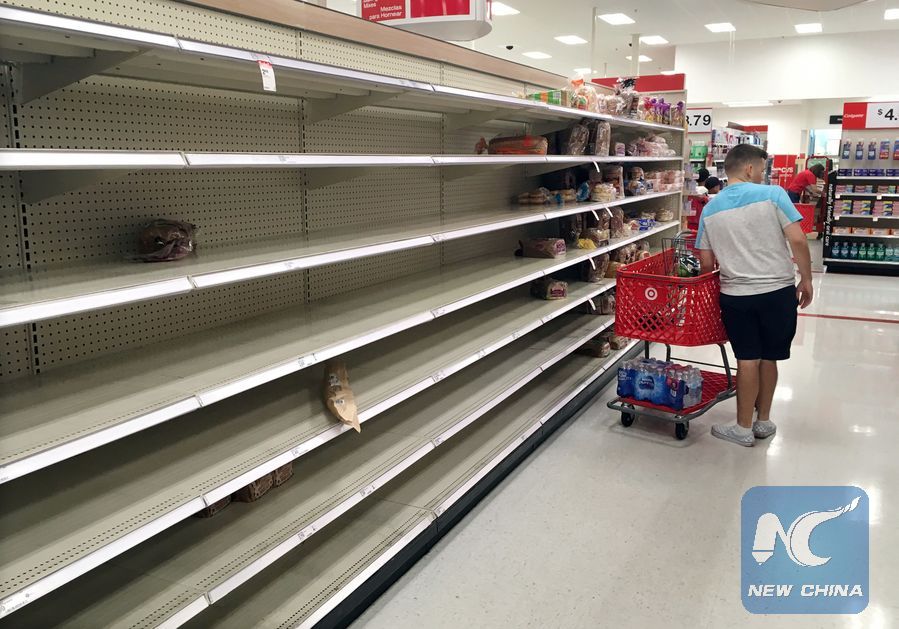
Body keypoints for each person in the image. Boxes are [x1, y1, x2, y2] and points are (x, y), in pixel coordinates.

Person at [695, 144, 813, 447]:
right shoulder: (774, 195)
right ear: (749, 168)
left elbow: (706, 262)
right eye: (761, 169)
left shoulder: (709, 209)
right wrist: (807, 279)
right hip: (778, 292)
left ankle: (742, 428)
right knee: (770, 357)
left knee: (747, 359)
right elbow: (798, 240)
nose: (762, 174)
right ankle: (763, 422)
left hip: (736, 295)